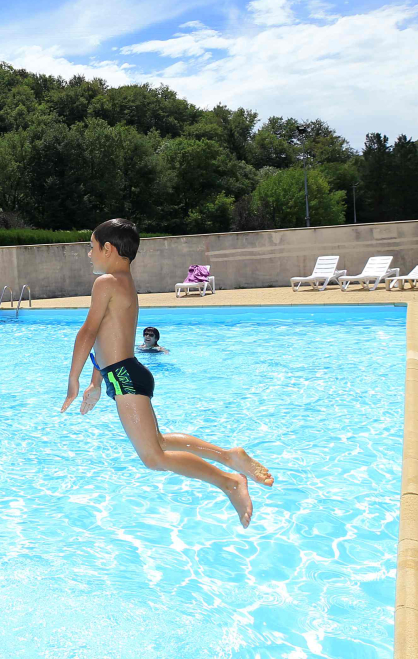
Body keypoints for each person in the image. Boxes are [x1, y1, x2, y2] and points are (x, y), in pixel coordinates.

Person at [60, 218, 273, 528]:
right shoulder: (123, 283)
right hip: (125, 373)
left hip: (124, 377)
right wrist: (96, 382)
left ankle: (230, 480)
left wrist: (73, 383)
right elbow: (107, 338)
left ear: (107, 249)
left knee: (154, 457)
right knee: (158, 442)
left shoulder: (105, 282)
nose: (89, 254)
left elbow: (87, 333)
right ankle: (229, 456)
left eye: (91, 248)